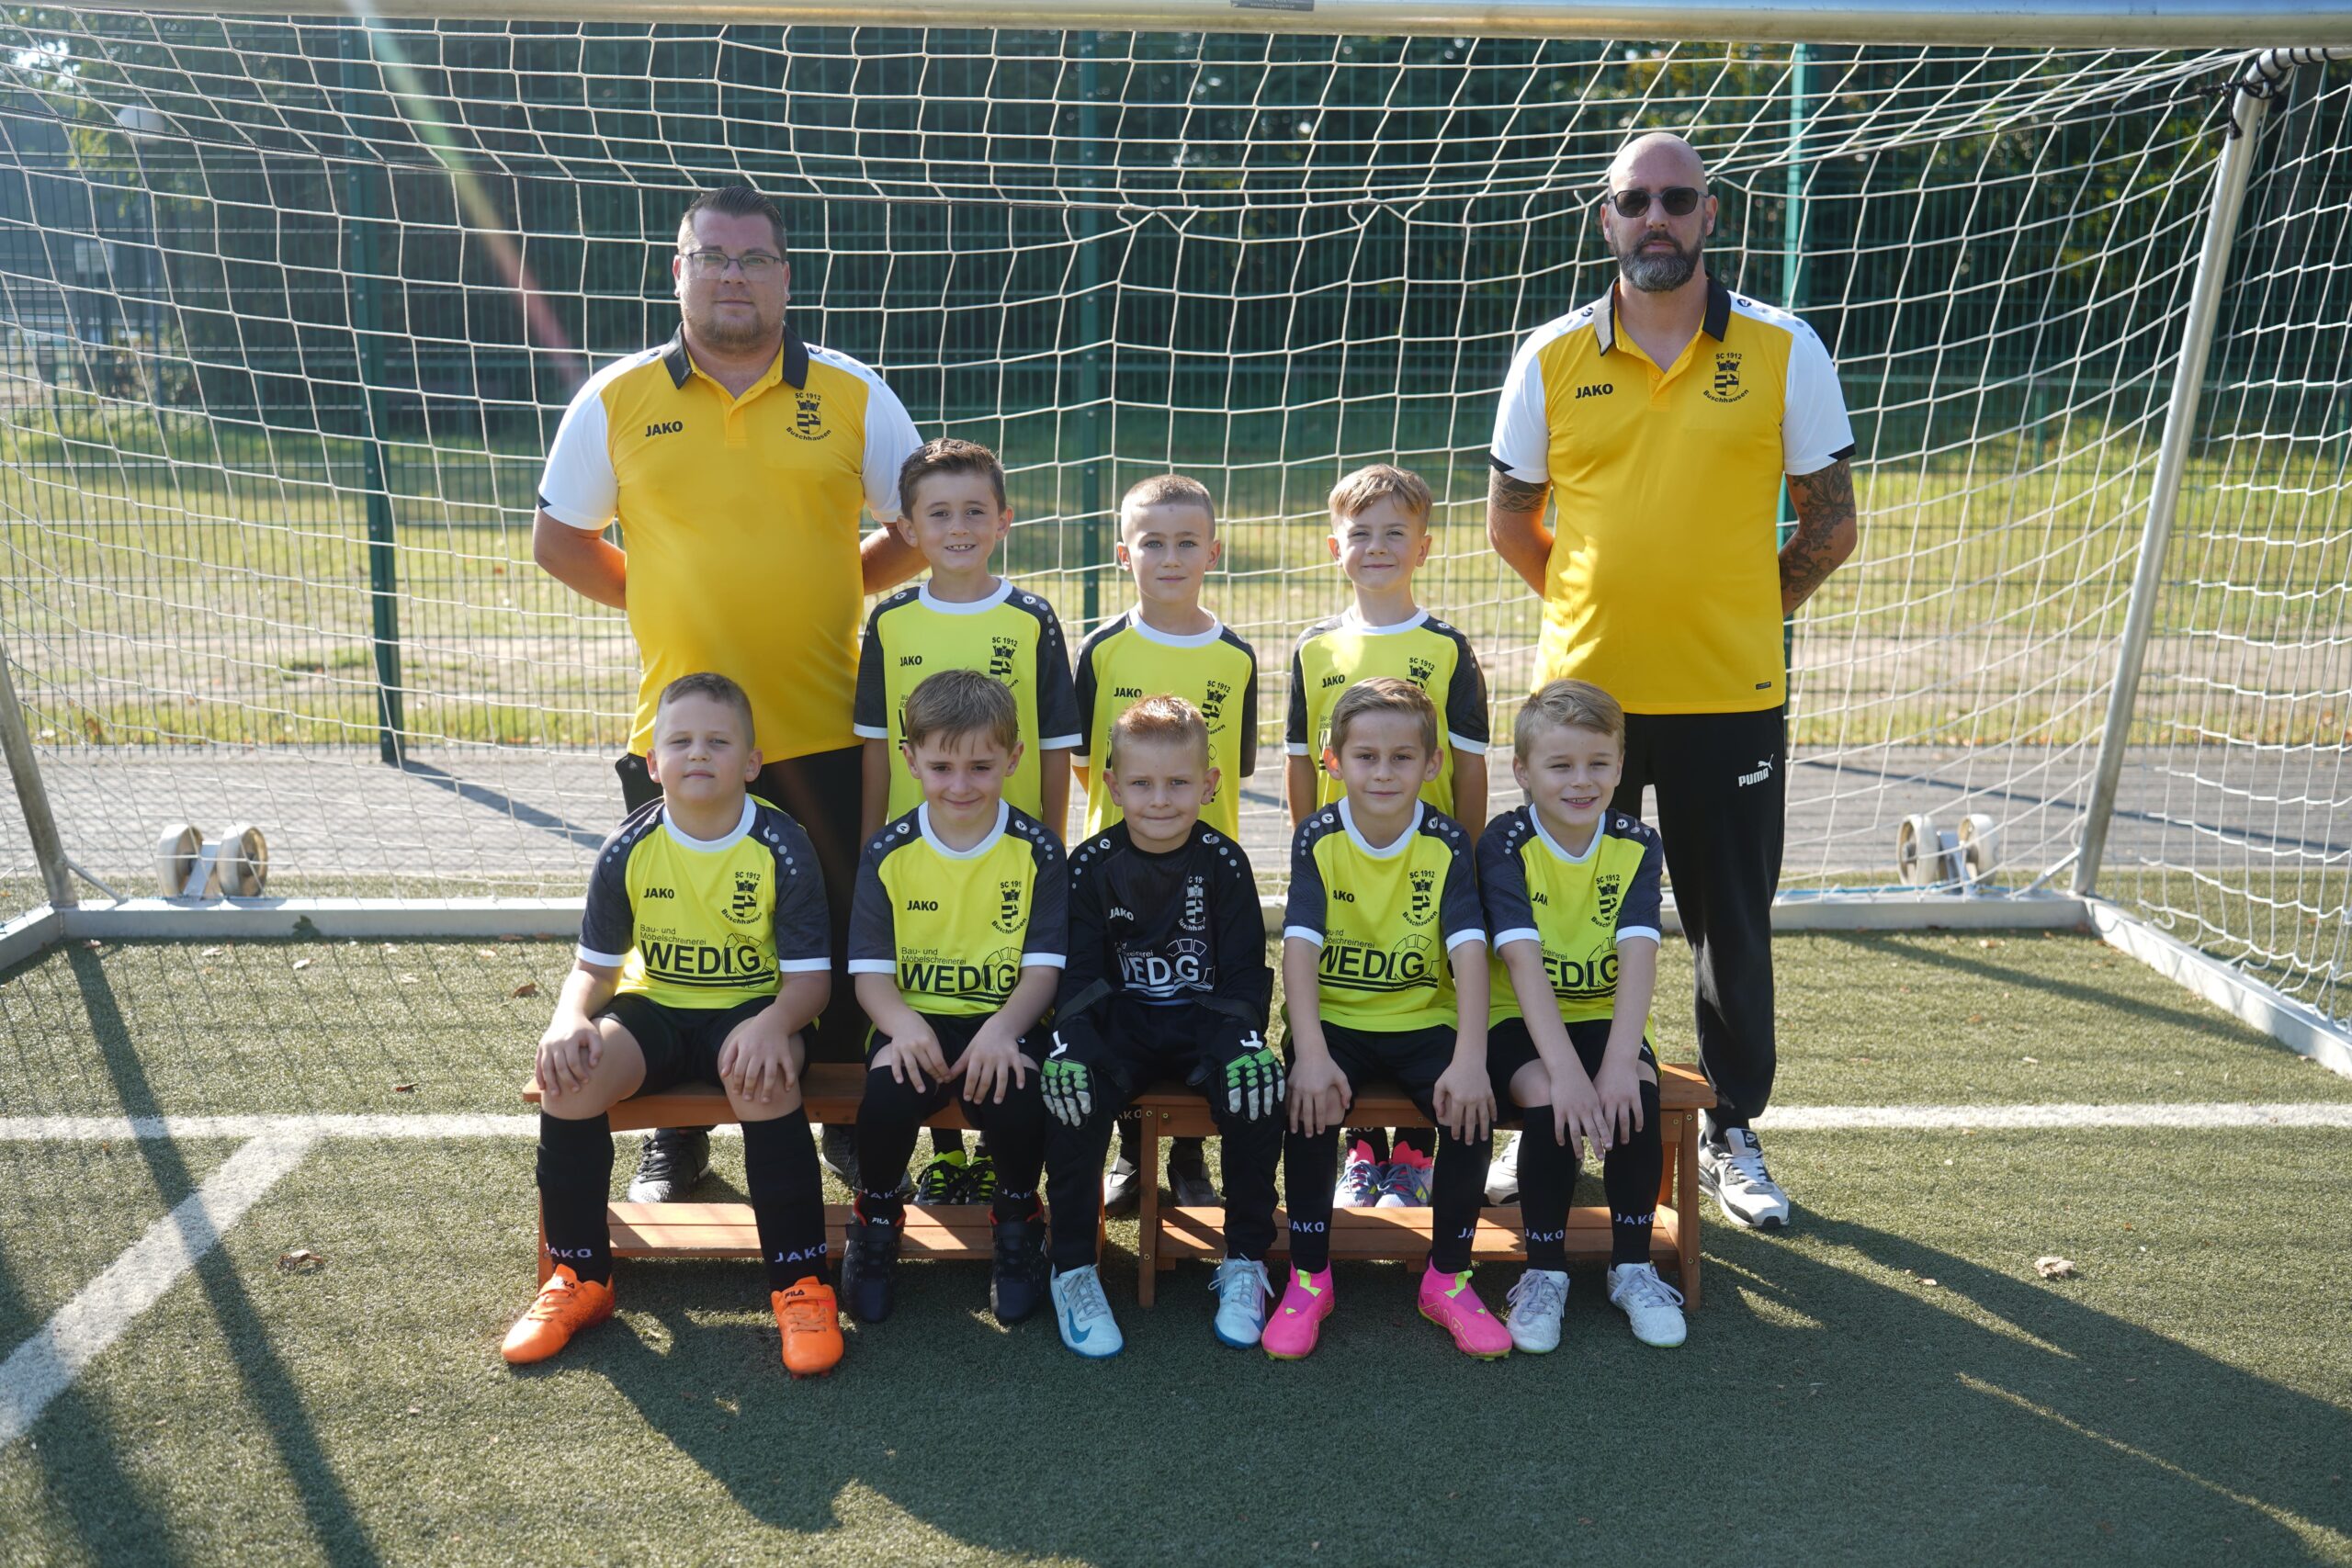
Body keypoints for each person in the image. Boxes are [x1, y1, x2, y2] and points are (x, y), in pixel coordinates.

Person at [1487, 131, 1858, 1230]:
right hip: (1583, 710)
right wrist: (1596, 616)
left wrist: (1741, 610)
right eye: (1633, 201)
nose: (1655, 218)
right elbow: (1514, 525)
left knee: (1728, 925)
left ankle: (1733, 1127)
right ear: (1604, 220)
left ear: (1708, 216)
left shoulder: (1785, 347)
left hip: (1729, 698)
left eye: (1676, 200)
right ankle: (1542, 1115)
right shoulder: (1549, 354)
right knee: (1558, 926)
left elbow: (1830, 529)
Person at [533, 183, 924, 1202]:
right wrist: (652, 596)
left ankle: (840, 1121)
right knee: (684, 938)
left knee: (837, 943)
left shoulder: (851, 393)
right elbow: (558, 539)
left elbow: (920, 526)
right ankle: (679, 1141)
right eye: (713, 256)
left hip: (829, 730)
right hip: (684, 741)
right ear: (679, 271)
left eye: (754, 259)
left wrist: (843, 582)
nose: (734, 276)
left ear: (786, 277)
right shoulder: (616, 397)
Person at [504, 673, 842, 1376]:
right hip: (655, 1008)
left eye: (718, 741)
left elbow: (811, 982)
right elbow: (594, 968)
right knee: (571, 1079)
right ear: (653, 762)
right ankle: (580, 1279)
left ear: (750, 762)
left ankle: (799, 1283)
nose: (698, 754)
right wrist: (567, 1016)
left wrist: (776, 1023)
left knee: (764, 1074)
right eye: (680, 741)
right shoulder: (627, 848)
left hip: (752, 1011)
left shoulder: (782, 844)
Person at [853, 437, 1080, 1201]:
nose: (958, 526)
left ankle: (995, 1156)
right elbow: (879, 749)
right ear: (908, 528)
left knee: (991, 985)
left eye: (974, 510)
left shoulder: (1031, 618)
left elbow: (1051, 747)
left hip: (1005, 855)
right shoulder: (888, 623)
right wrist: (867, 847)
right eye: (938, 512)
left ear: (1003, 520)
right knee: (924, 980)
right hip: (916, 851)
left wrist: (1050, 841)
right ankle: (946, 1151)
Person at [1267, 678, 1506, 1361]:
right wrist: (1309, 1052)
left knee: (1469, 1104)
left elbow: (1468, 953)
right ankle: (1310, 1275)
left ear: (1433, 765)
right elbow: (1300, 952)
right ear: (1333, 760)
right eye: (1365, 755)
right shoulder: (1317, 836)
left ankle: (1448, 1276)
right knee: (1307, 1104)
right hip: (1336, 1020)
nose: (1383, 771)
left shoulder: (1447, 841)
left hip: (1420, 1019)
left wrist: (1469, 1057)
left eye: (1403, 757)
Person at [1041, 696, 1281, 1358]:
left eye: (1179, 783)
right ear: (1113, 785)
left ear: (1210, 783)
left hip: (1203, 1023)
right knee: (1071, 1092)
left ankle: (1246, 1259)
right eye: (1141, 783)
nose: (1160, 799)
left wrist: (1241, 1039)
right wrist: (1073, 1041)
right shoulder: (1089, 865)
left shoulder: (1225, 862)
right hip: (1123, 1024)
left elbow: (1240, 974)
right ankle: (1072, 1268)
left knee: (1257, 1089)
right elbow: (1079, 975)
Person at [1284, 464, 1490, 1213]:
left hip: (1430, 866)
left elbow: (1470, 769)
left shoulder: (1447, 648)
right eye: (1361, 533)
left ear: (1424, 547)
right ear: (1334, 545)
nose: (1376, 546)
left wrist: (1466, 861)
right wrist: (1309, 839)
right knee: (1347, 992)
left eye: (1394, 533)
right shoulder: (1313, 649)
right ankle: (1361, 1155)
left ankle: (1410, 1158)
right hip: (1345, 862)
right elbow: (1300, 762)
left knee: (1420, 996)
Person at [839, 671, 1067, 1329]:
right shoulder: (887, 852)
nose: (960, 783)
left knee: (1019, 1092)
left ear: (1013, 759)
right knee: (885, 1095)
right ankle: (876, 1218)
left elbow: (1042, 973)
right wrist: (906, 1029)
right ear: (909, 760)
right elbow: (871, 978)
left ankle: (1018, 1218)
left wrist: (1002, 1030)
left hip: (1005, 1020)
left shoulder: (1037, 851)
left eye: (980, 765)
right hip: (912, 1020)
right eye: (940, 765)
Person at [1070, 474, 1260, 1216]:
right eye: (1153, 542)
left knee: (1201, 1004)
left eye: (1187, 542)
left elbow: (1232, 768)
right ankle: (1127, 1154)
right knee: (1123, 1006)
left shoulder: (1236, 656)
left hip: (1207, 875)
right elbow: (1088, 763)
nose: (1170, 556)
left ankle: (1188, 1156)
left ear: (1213, 551)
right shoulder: (1100, 649)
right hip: (1117, 874)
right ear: (1125, 553)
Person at [1478, 680, 1686, 1351]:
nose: (1581, 780)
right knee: (1547, 1093)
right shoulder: (1504, 842)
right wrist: (1567, 1072)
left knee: (1636, 1093)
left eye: (1598, 763)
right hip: (1517, 1014)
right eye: (1560, 765)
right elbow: (1522, 960)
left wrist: (1622, 1062)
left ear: (1621, 767)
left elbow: (1638, 955)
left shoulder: (1636, 843)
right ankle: (1544, 1271)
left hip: (1602, 1011)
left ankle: (1633, 1266)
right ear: (1523, 771)